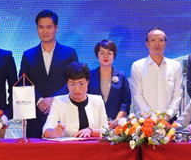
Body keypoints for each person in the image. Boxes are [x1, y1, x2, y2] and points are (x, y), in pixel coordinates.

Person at [20, 10, 80, 139]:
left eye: (49, 27)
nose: (45, 31)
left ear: (56, 28)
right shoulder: (28, 55)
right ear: (37, 29)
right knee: (34, 150)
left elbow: (74, 80)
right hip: (36, 114)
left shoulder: (69, 53)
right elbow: (23, 82)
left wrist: (53, 99)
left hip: (63, 114)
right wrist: (40, 101)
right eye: (41, 27)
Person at [43, 63, 108, 139]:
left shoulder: (97, 101)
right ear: (67, 84)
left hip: (93, 146)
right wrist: (55, 132)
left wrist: (91, 131)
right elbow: (46, 131)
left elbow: (106, 131)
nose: (77, 88)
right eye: (72, 84)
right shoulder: (58, 102)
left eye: (81, 84)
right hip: (68, 146)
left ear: (88, 82)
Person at [130, 28, 184, 119]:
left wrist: (168, 115)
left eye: (161, 40)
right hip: (145, 120)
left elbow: (178, 94)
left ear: (165, 43)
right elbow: (137, 95)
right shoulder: (138, 66)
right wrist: (152, 118)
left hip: (169, 119)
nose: (157, 44)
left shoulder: (175, 66)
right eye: (153, 40)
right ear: (147, 44)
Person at [88, 39, 131, 124]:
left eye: (109, 53)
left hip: (116, 124)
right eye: (102, 53)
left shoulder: (121, 76)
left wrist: (116, 121)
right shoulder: (89, 75)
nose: (105, 56)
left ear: (114, 55)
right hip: (93, 123)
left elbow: (126, 102)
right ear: (97, 55)